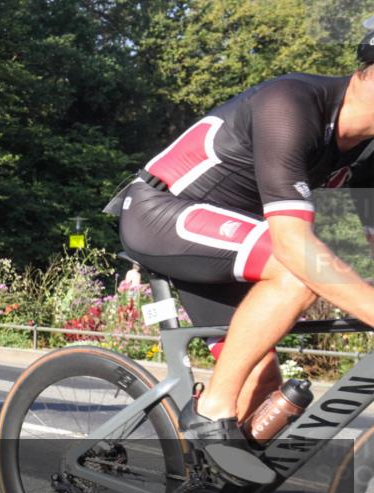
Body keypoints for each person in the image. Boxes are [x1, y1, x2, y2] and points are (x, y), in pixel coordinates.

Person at [112, 29, 374, 450]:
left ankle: (216, 482)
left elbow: (364, 240)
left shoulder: (366, 151)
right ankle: (210, 408)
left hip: (237, 240)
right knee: (299, 271)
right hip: (160, 212)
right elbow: (293, 247)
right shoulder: (291, 103)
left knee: (262, 378)